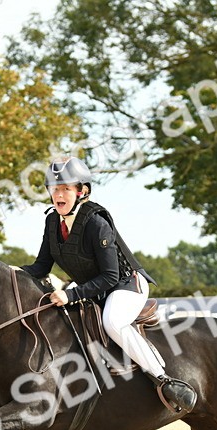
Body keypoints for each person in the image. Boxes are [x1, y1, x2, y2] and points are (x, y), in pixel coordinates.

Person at [22, 157, 198, 412]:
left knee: (112, 322)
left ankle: (164, 380)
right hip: (93, 287)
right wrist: (10, 271)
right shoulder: (52, 222)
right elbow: (40, 267)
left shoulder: (96, 223)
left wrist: (71, 295)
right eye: (54, 189)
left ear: (81, 192)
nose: (58, 195)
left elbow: (110, 277)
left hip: (125, 285)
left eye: (65, 189)